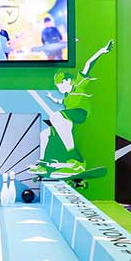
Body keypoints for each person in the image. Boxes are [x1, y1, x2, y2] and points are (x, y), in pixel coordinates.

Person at [30, 41, 112, 179]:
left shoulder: (79, 84)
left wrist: (101, 51)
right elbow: (61, 102)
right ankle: (44, 164)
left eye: (60, 86)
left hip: (80, 113)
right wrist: (53, 98)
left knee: (56, 117)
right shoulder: (67, 97)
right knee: (45, 134)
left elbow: (88, 64)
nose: (60, 89)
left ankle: (76, 159)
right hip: (70, 117)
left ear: (67, 81)